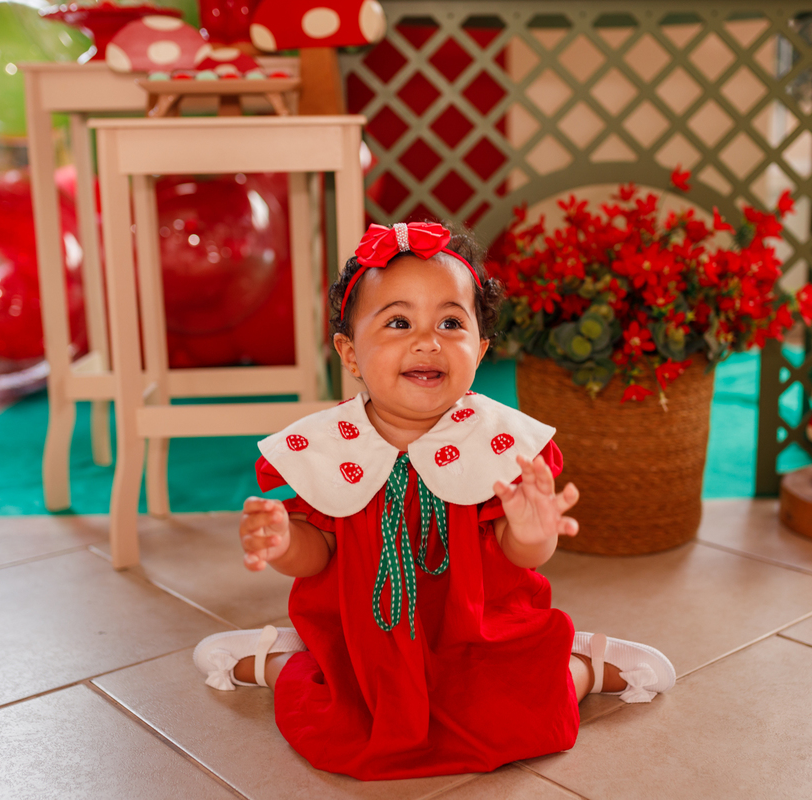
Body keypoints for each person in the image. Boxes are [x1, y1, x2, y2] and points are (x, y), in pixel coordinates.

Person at [193, 221, 674, 780]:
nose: (428, 341)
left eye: (451, 322)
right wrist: (283, 543)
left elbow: (521, 558)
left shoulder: (497, 443)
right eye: (399, 322)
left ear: (481, 349)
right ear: (350, 354)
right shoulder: (328, 447)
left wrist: (533, 530)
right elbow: (318, 554)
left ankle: (582, 666)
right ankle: (279, 661)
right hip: (366, 643)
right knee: (346, 725)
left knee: (521, 716)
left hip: (479, 639)